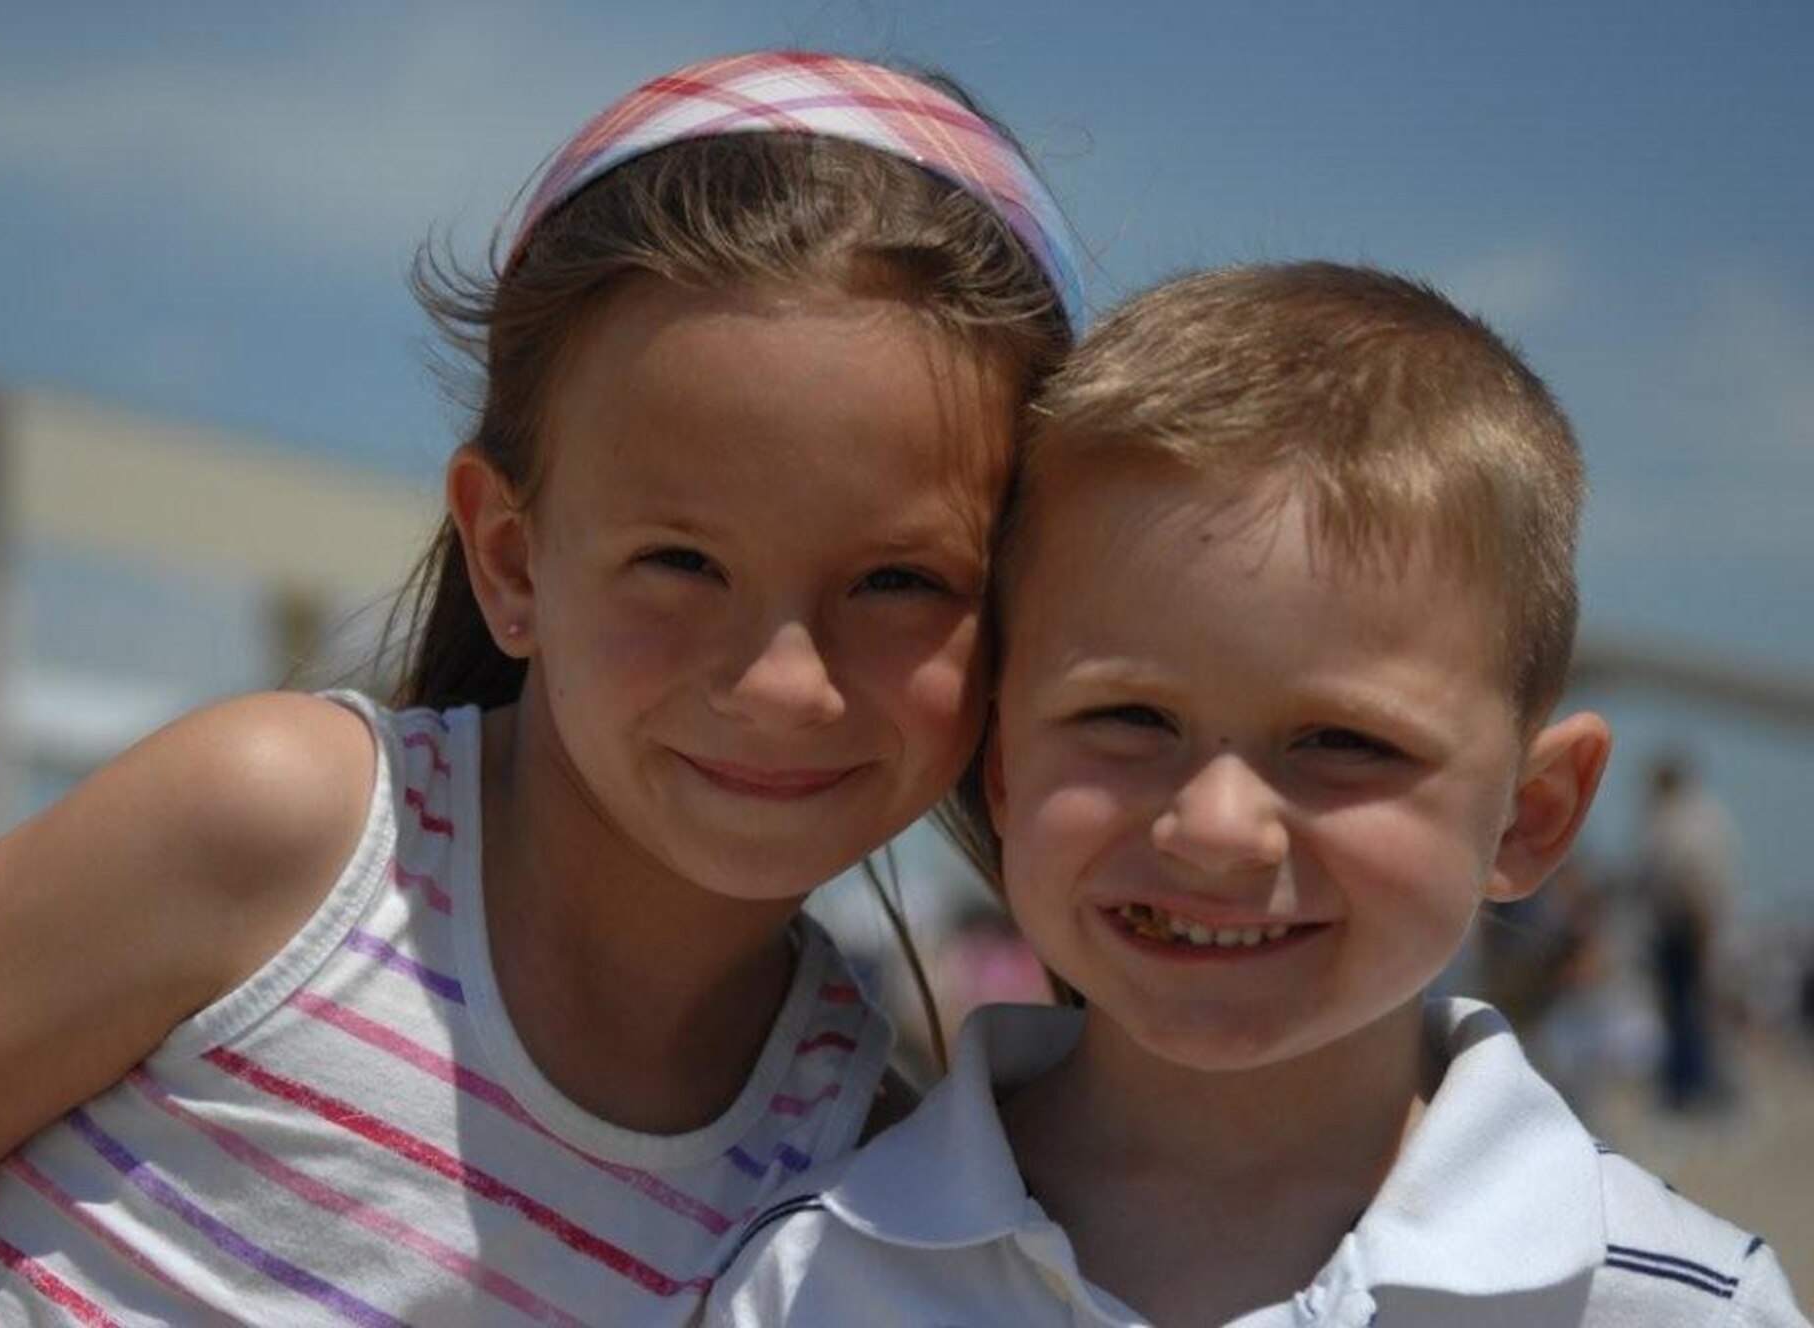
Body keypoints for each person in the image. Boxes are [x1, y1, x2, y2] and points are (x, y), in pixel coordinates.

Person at [0, 52, 1079, 1325]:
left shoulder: (860, 1160)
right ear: (509, 557)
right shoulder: (271, 836)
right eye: (680, 562)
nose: (784, 683)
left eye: (898, 582)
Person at [708, 264, 1807, 1325]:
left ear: (1529, 814)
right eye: (1128, 719)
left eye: (1340, 740)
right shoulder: (815, 1277)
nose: (1215, 828)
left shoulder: (1677, 1300)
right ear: (1002, 763)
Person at [1640, 749, 1742, 1111]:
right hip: (1684, 926)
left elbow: (1694, 881)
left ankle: (1691, 1087)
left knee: (1688, 1008)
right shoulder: (1694, 816)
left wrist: (1704, 932)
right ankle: (1692, 1085)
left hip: (1687, 927)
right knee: (1685, 1008)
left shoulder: (1683, 820)